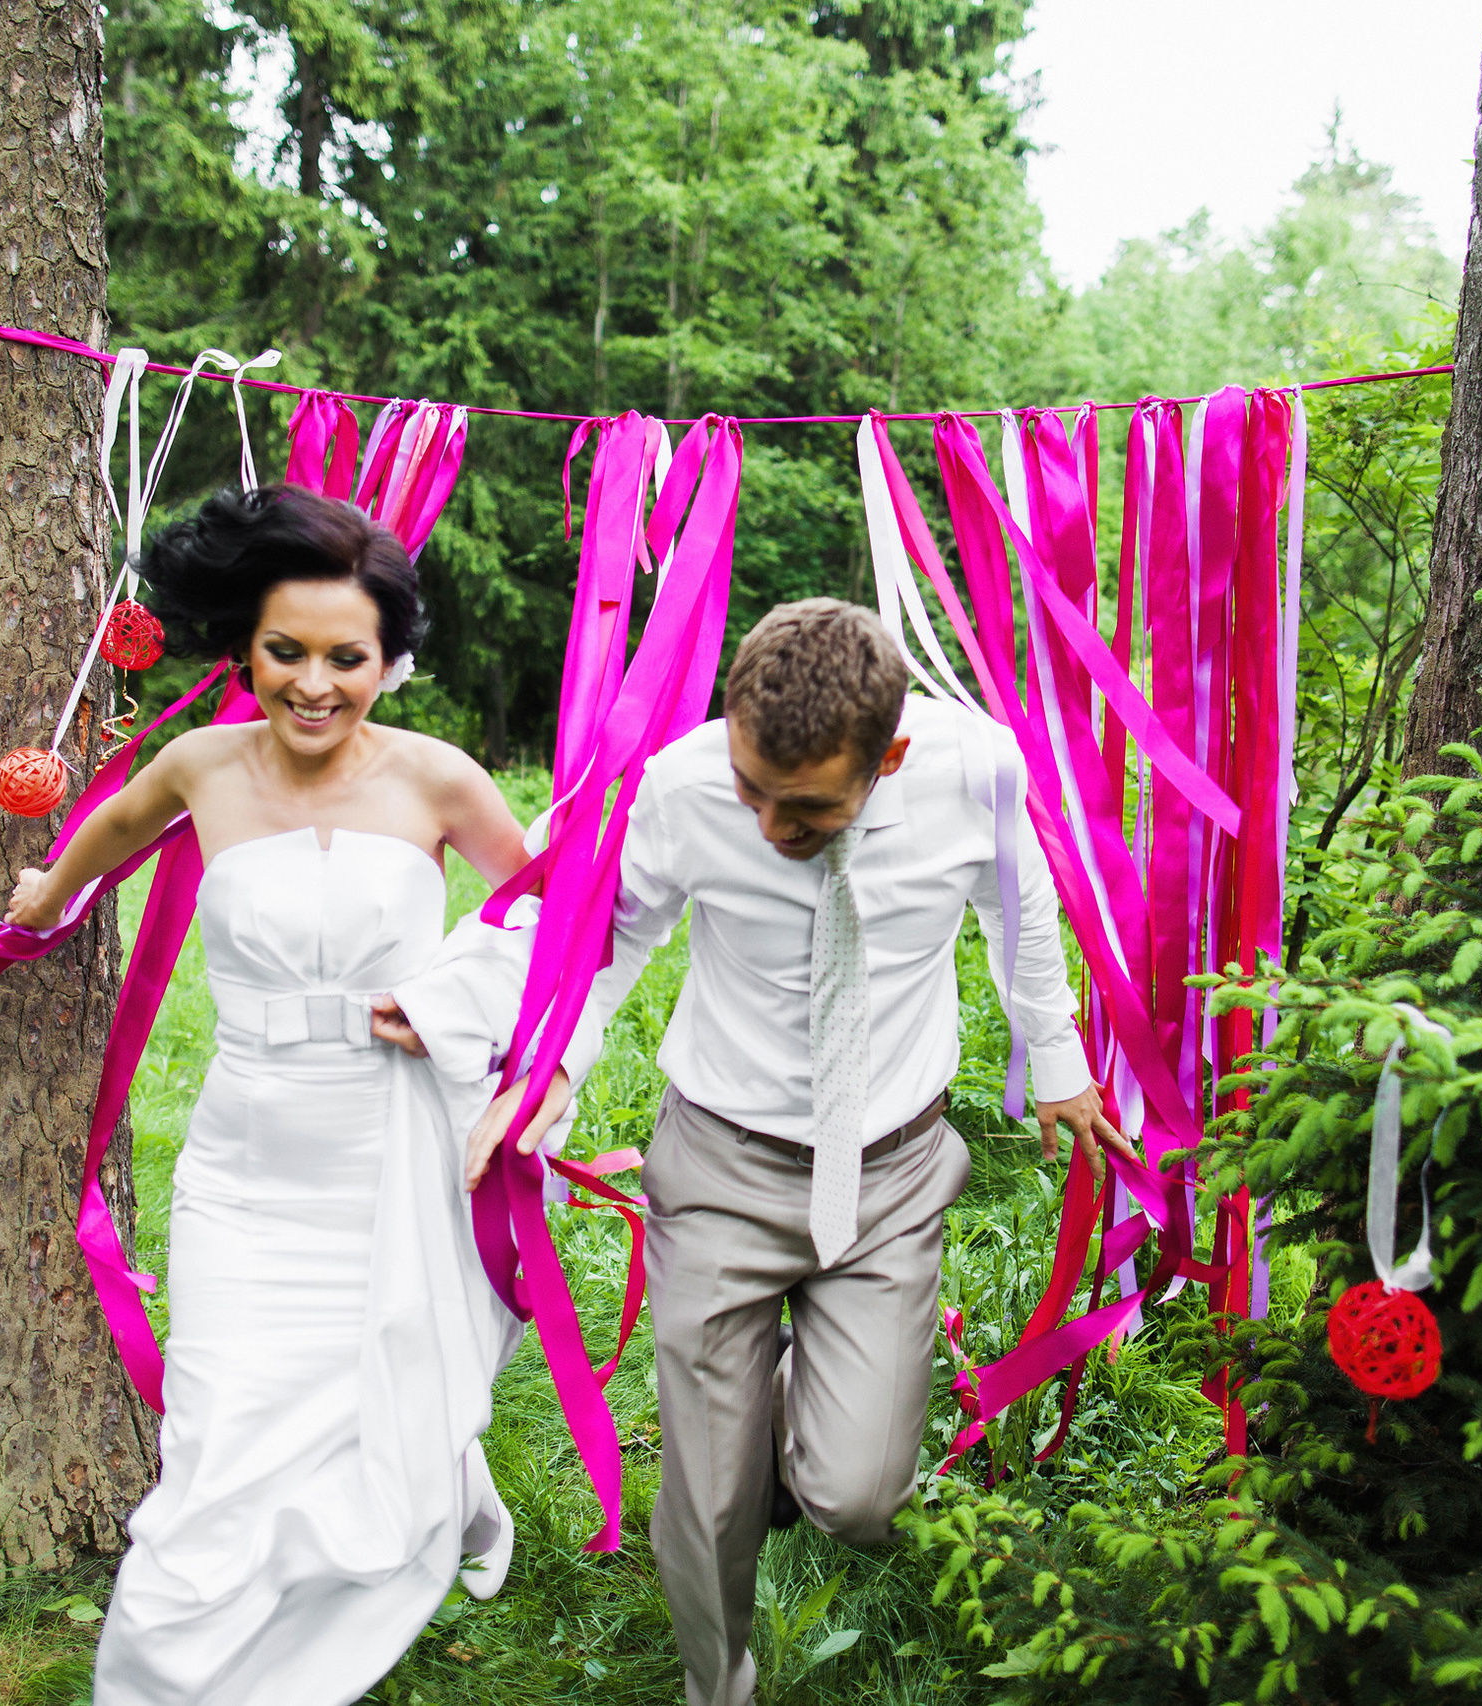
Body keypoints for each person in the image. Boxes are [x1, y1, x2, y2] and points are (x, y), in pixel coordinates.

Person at [463, 598, 1134, 1706]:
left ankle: (787, 1387)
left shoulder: (978, 768)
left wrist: (1053, 1052)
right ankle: (714, 1679)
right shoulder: (680, 786)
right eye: (752, 790)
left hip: (894, 1171)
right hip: (723, 1161)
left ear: (893, 753)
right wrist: (557, 1073)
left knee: (856, 1494)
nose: (770, 824)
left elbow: (1022, 906)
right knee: (712, 1493)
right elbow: (613, 931)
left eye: (807, 806)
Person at [1, 485, 552, 1706]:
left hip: (393, 1152)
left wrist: (459, 1009)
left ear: (389, 657)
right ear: (242, 651)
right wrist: (48, 889)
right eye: (285, 653)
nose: (314, 683)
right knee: (214, 1434)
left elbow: (551, 934)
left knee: (379, 1386)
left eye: (345, 657)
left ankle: (424, 1496)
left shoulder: (441, 780)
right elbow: (113, 828)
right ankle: (158, 1676)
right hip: (248, 1162)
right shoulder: (202, 763)